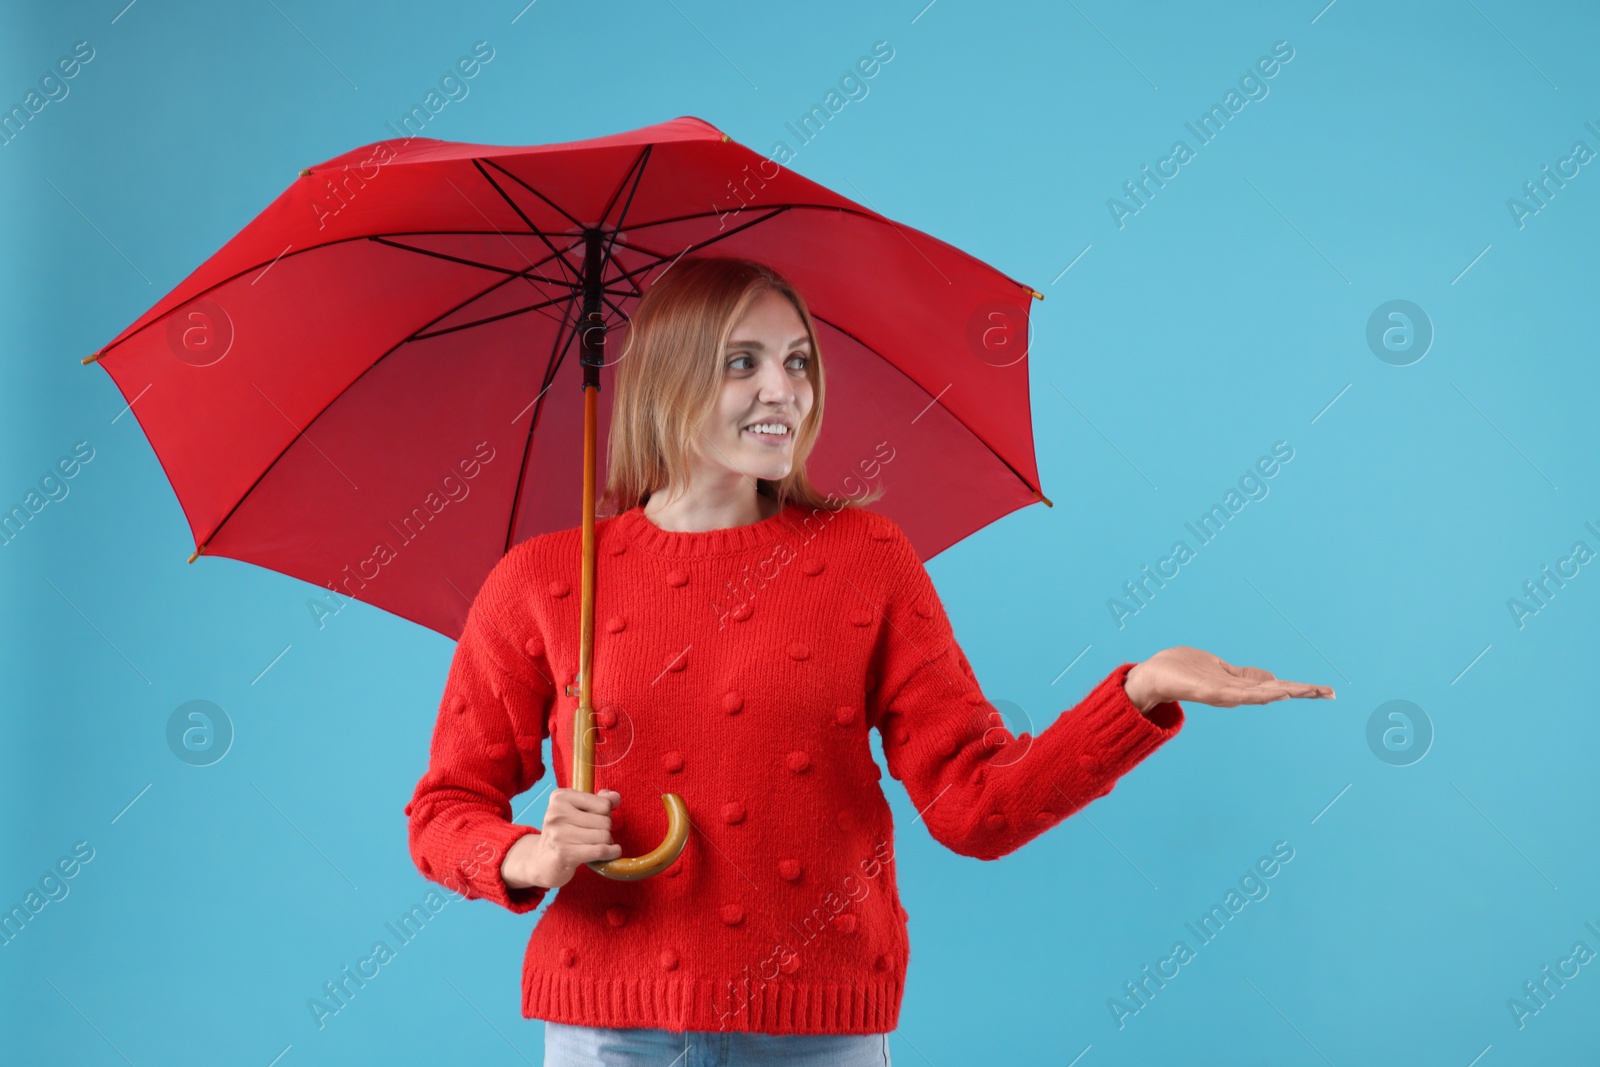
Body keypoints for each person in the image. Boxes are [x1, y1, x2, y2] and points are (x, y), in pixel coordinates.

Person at [405, 256, 1335, 1067]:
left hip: (822, 1038)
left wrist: (1137, 693)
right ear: (661, 381)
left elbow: (979, 807)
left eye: (798, 362)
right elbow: (443, 809)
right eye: (744, 363)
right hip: (606, 1037)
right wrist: (528, 855)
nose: (786, 391)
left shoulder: (866, 557)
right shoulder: (545, 578)